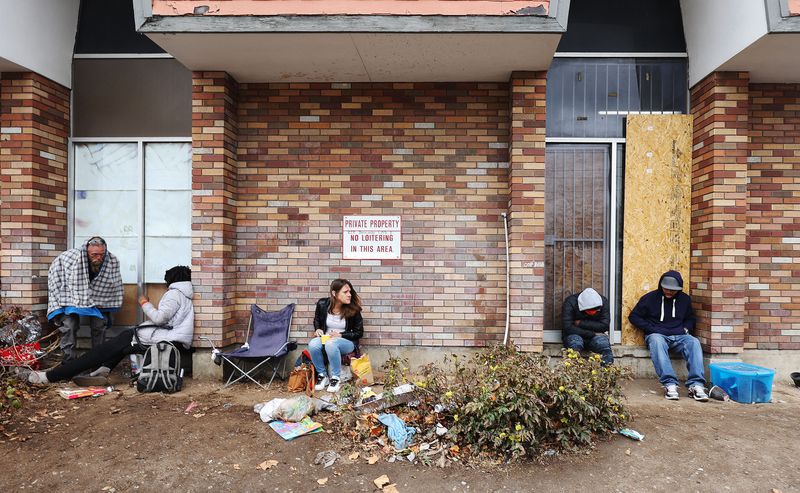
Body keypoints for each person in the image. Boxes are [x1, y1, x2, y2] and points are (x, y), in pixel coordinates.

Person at [25, 266, 194, 385]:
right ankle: (105, 368)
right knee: (121, 345)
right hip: (172, 339)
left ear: (171, 280)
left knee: (100, 351)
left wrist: (144, 303)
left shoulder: (174, 294)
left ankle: (50, 376)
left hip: (165, 339)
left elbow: (159, 318)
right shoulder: (186, 294)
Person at [629, 270, 708, 401]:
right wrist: (651, 328)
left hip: (679, 335)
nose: (669, 292)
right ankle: (670, 384)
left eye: (673, 290)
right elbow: (634, 316)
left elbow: (690, 318)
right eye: (666, 289)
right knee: (655, 340)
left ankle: (696, 385)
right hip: (658, 335)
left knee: (693, 342)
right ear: (661, 285)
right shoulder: (650, 298)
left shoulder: (685, 299)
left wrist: (686, 329)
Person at [47, 236, 123, 362]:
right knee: (69, 325)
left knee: (99, 324)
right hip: (70, 294)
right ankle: (68, 361)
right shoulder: (69, 258)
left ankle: (97, 360)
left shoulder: (111, 260)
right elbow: (57, 280)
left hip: (97, 297)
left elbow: (112, 284)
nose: (98, 258)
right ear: (86, 251)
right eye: (94, 254)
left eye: (101, 254)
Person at [308, 279, 363, 393]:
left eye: (350, 292)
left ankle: (335, 377)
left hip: (347, 342)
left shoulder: (354, 309)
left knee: (331, 343)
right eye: (345, 292)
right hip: (327, 338)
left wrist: (341, 334)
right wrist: (318, 329)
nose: (349, 294)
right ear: (334, 293)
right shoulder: (322, 304)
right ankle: (323, 375)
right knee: (313, 344)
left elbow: (359, 333)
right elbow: (317, 319)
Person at [562, 287, 614, 365]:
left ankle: (607, 373)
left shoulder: (603, 302)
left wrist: (581, 323)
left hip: (597, 337)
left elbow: (604, 326)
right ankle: (574, 373)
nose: (594, 312)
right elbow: (568, 327)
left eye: (596, 310)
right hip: (575, 335)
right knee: (574, 346)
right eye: (591, 310)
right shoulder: (570, 302)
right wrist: (592, 333)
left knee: (605, 349)